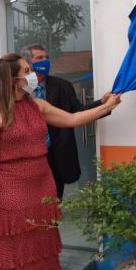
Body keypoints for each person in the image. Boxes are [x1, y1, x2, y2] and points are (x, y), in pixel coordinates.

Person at [0, 53, 121, 270]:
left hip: (42, 186)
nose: (33, 74)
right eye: (27, 70)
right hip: (10, 190)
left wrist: (106, 107)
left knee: (41, 252)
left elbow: (72, 119)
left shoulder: (37, 105)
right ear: (11, 78)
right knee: (11, 254)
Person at [20, 44, 111, 200]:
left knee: (55, 203)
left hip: (56, 157)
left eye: (46, 58)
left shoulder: (62, 86)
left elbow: (77, 113)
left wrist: (103, 103)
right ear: (28, 63)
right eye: (39, 58)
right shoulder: (19, 89)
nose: (45, 61)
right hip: (28, 158)